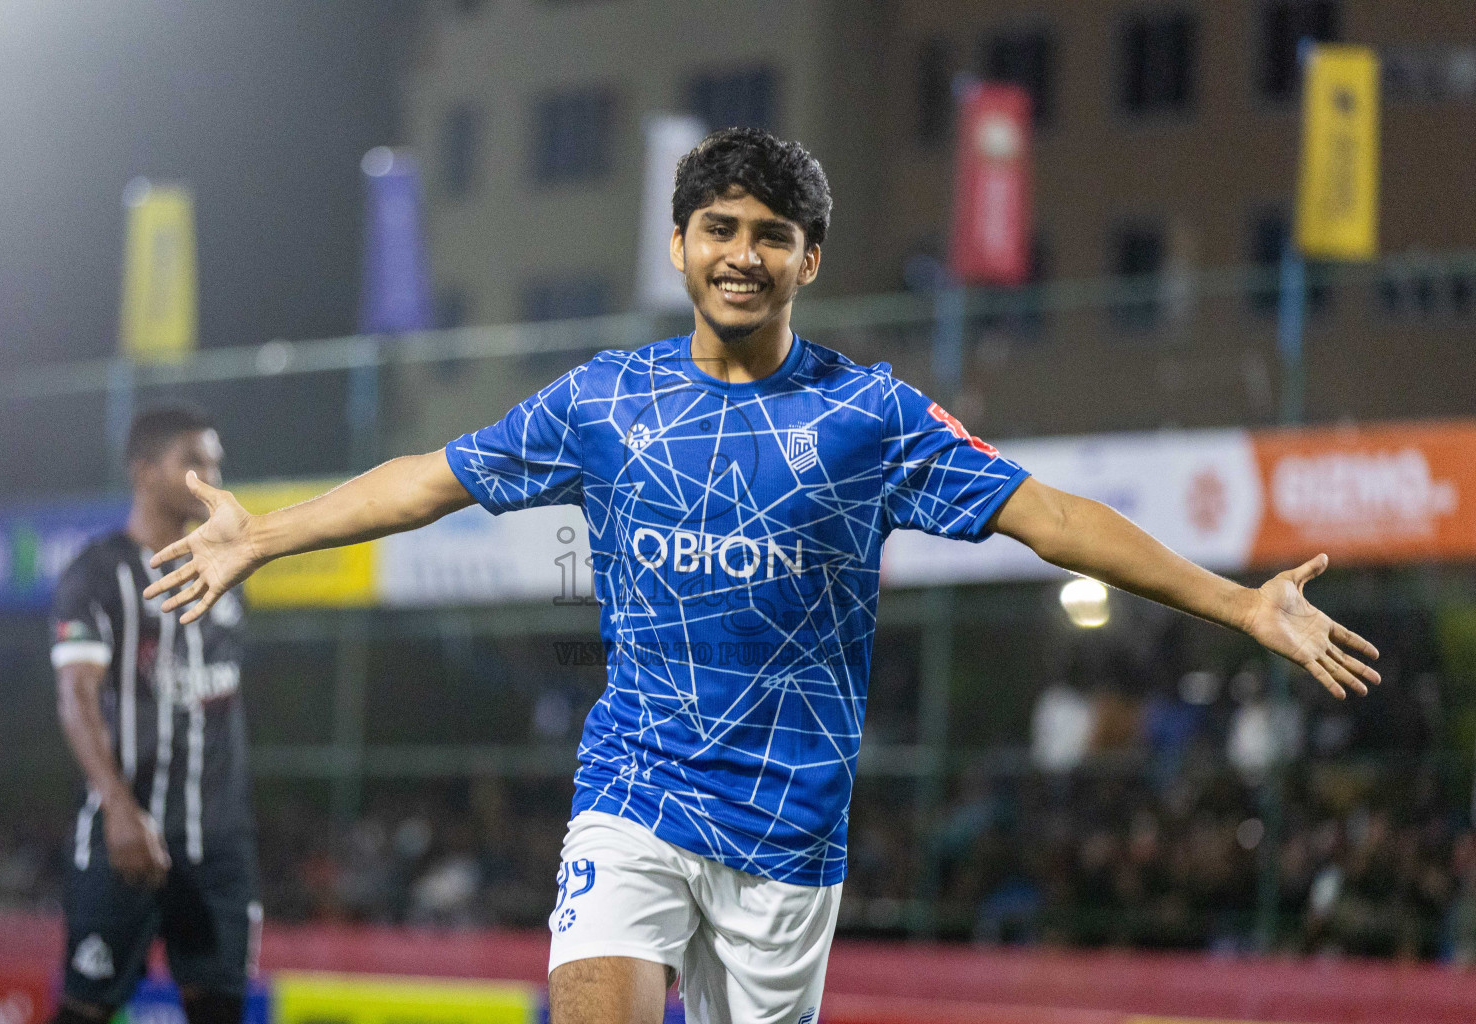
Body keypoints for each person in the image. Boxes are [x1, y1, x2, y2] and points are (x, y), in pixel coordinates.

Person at [145, 129, 1379, 1024]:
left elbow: (1046, 517)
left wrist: (1238, 600)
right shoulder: (608, 399)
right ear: (680, 245)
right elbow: (431, 477)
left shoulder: (869, 415)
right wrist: (262, 531)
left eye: (771, 235)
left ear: (809, 259)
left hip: (788, 833)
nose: (743, 254)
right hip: (635, 786)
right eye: (721, 228)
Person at [50, 404, 255, 1024]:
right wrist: (117, 807)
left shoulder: (230, 572)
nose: (211, 476)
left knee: (219, 1010)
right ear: (143, 471)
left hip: (218, 851)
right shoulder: (96, 573)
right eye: (193, 461)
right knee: (85, 1010)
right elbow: (76, 696)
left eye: (215, 462)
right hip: (126, 839)